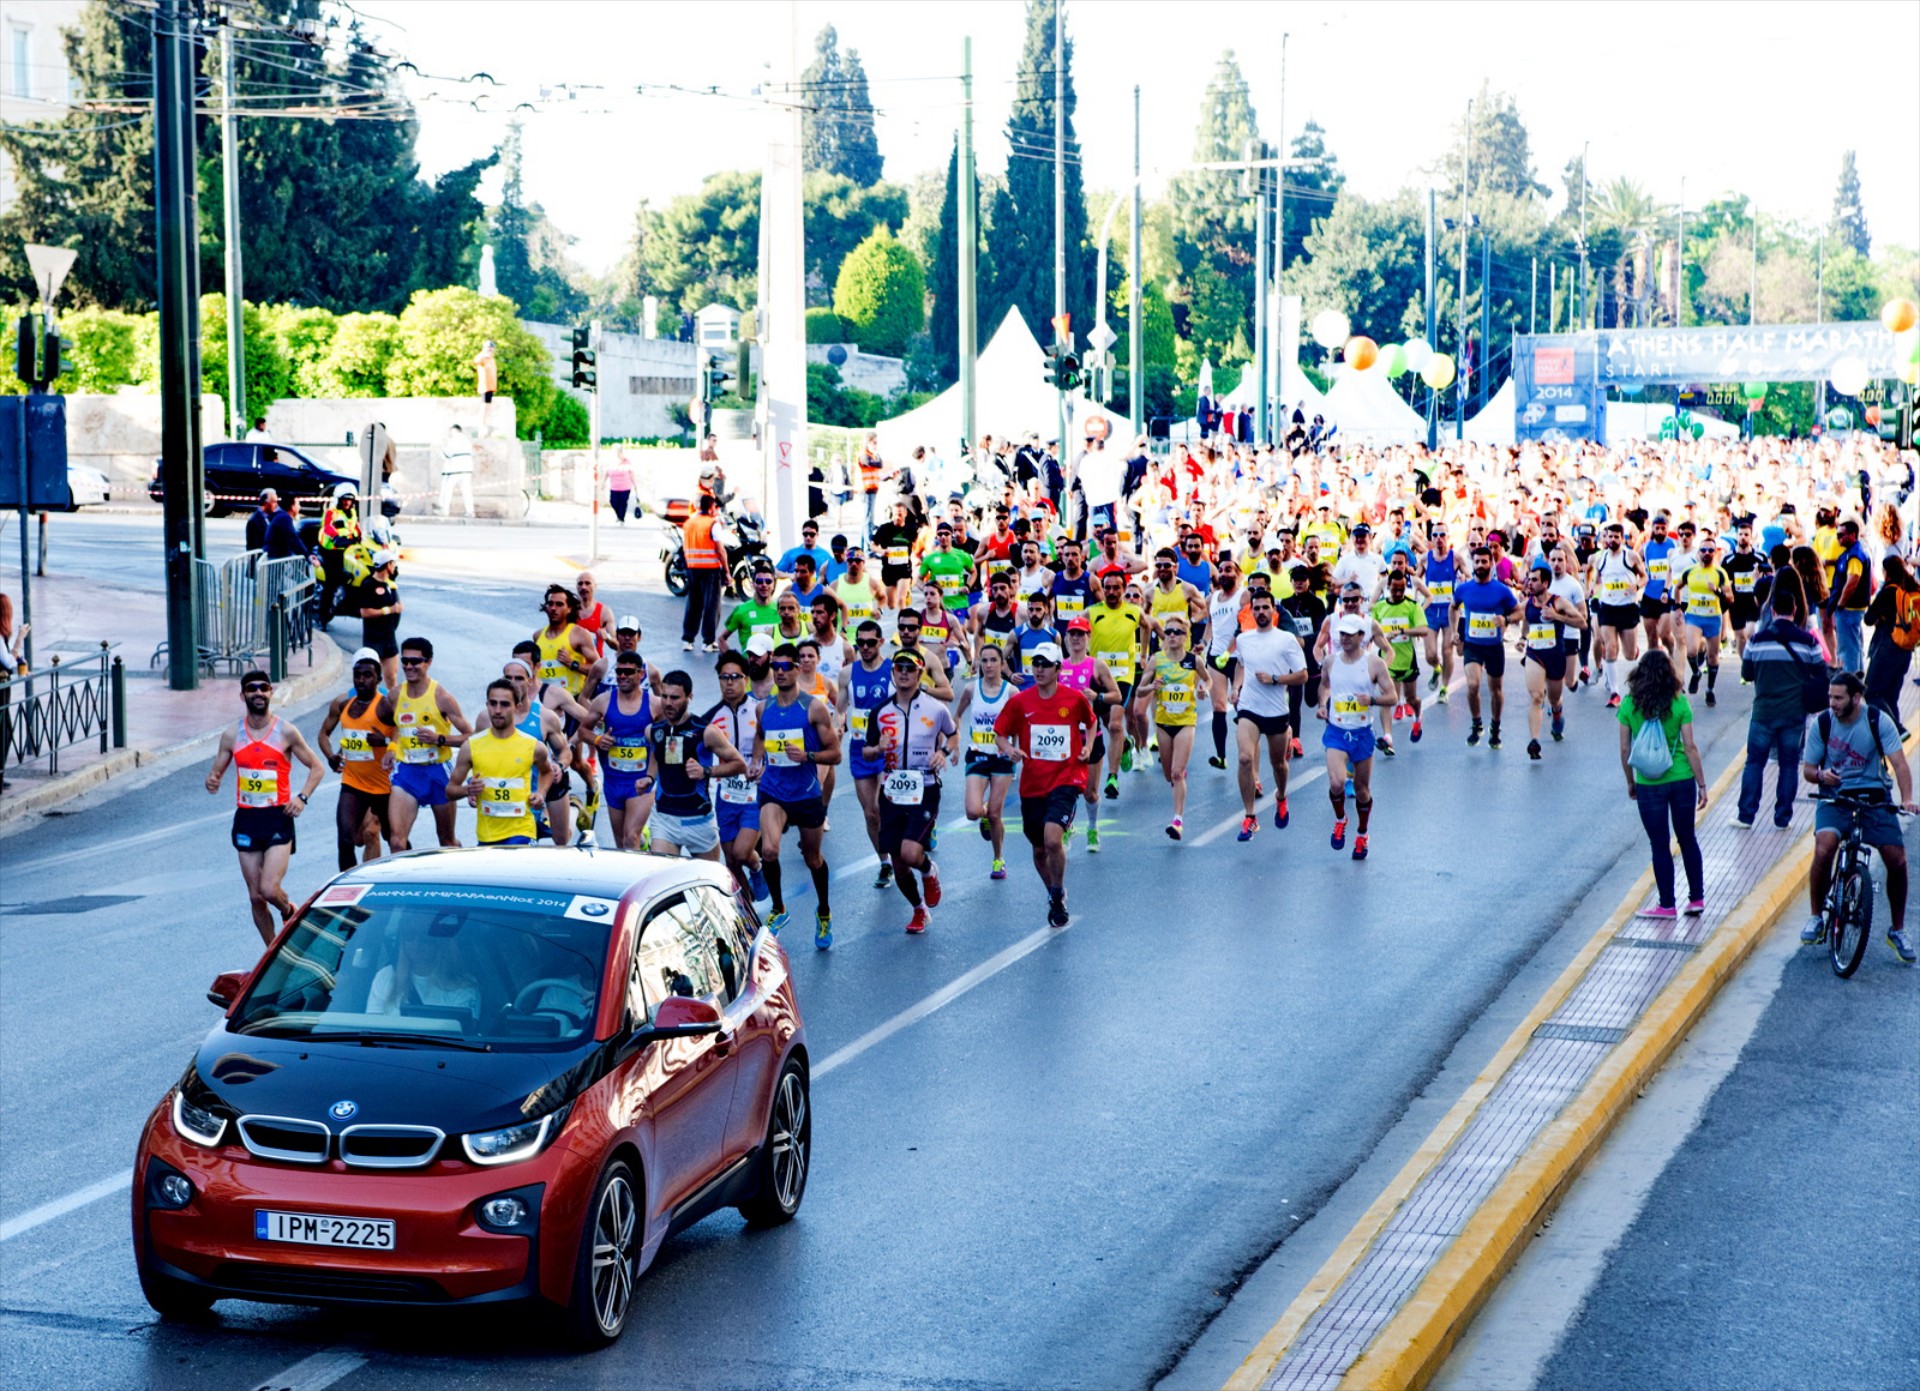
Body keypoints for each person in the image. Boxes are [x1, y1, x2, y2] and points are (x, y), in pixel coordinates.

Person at [1802, 671, 1919, 962]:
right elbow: (1807, 770)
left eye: (1838, 698)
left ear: (1856, 698)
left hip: (1873, 796)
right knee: (1825, 847)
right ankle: (1816, 917)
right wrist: (1820, 775)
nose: (1832, 703)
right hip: (1835, 795)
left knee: (1897, 859)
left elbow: (1900, 765)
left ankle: (1898, 929)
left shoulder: (1877, 721)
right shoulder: (1823, 723)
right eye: (1830, 697)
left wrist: (1906, 799)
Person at [205, 671, 325, 944]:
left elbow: (317, 768)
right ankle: (272, 952)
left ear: (271, 693)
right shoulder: (231, 735)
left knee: (270, 889)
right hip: (246, 818)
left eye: (263, 688)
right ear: (243, 695)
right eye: (252, 689)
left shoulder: (285, 731)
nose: (258, 693)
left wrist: (302, 797)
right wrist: (212, 781)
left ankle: (289, 910)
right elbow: (215, 775)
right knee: (255, 896)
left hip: (277, 817)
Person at [994, 640, 1100, 928]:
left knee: (1053, 839)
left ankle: (1056, 892)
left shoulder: (1073, 699)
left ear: (1057, 668)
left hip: (1067, 778)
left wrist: (1088, 747)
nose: (1038, 669)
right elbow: (999, 733)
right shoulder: (1020, 702)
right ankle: (1055, 894)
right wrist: (1009, 750)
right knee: (1039, 849)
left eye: (1044, 664)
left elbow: (1091, 723)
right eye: (1035, 664)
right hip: (1033, 785)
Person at [752, 643, 842, 948]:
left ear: (796, 669)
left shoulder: (813, 707)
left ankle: (824, 911)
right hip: (773, 791)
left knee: (813, 858)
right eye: (775, 666)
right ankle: (779, 908)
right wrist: (755, 763)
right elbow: (760, 738)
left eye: (785, 666)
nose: (779, 671)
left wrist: (808, 756)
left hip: (805, 793)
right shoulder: (763, 707)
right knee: (769, 851)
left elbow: (836, 755)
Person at [863, 648, 959, 933]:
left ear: (920, 673)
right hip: (892, 791)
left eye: (910, 668)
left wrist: (942, 752)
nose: (904, 673)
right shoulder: (880, 711)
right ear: (893, 673)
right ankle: (919, 909)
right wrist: (877, 749)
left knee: (910, 852)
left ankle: (929, 870)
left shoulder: (935, 708)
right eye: (899, 668)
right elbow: (866, 751)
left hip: (925, 787)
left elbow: (953, 735)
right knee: (899, 863)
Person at [1618, 651, 1708, 920]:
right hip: (1681, 779)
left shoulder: (1629, 704)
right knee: (1687, 838)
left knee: (1659, 844)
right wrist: (1702, 784)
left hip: (1649, 783)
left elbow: (1625, 749)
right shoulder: (1680, 702)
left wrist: (1630, 781)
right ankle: (1697, 899)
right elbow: (1690, 747)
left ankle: (1667, 904)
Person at [1737, 567, 1822, 830]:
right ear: (1795, 610)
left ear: (1772, 611)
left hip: (1763, 712)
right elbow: (1820, 673)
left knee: (1754, 763)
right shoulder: (1808, 641)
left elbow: (1747, 673)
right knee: (1788, 765)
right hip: (1795, 713)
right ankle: (1783, 818)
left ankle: (1746, 816)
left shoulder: (1756, 640)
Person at [644, 669, 748, 864]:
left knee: (706, 884)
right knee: (663, 876)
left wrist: (706, 771)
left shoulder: (706, 732)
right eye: (664, 696)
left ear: (689, 697)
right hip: (664, 818)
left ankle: (755, 868)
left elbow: (739, 764)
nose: (667, 703)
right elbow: (656, 757)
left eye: (675, 698)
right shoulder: (653, 731)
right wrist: (649, 778)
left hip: (698, 820)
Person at [1231, 588, 1309, 842]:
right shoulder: (1244, 639)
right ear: (1251, 611)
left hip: (1275, 710)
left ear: (1274, 610)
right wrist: (1235, 687)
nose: (1261, 612)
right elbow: (1241, 664)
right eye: (1257, 608)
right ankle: (1250, 817)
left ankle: (1281, 796)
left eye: (1266, 607)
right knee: (1244, 758)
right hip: (1249, 707)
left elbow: (1302, 675)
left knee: (1278, 764)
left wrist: (1275, 679)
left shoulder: (1286, 639)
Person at [380, 636, 471, 851]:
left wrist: (439, 739)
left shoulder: (441, 696)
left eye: (415, 661)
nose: (409, 666)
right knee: (396, 842)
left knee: (447, 841)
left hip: (438, 772)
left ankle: (456, 879)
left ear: (428, 662)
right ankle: (404, 884)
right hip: (407, 772)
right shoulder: (394, 696)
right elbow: (394, 726)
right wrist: (391, 747)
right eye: (405, 661)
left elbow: (470, 735)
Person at [1317, 614, 1396, 861]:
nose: (1345, 638)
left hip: (1362, 733)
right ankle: (1341, 819)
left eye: (1351, 634)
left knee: (1362, 790)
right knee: (1337, 783)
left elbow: (1392, 696)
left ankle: (1362, 833)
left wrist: (1371, 700)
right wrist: (1322, 704)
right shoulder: (1330, 661)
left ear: (1362, 636)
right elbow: (1324, 685)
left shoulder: (1374, 664)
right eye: (1342, 634)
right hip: (1337, 731)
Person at [317, 650, 396, 873]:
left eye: (368, 675)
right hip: (353, 783)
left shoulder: (387, 704)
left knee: (393, 838)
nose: (362, 680)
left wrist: (387, 741)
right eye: (357, 675)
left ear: (378, 678)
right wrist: (331, 756)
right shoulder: (342, 703)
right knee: (345, 840)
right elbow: (323, 734)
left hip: (384, 785)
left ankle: (396, 879)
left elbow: (405, 733)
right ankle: (348, 891)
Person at [453, 679, 554, 846]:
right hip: (487, 835)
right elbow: (450, 790)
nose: (497, 710)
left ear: (517, 707)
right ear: (487, 705)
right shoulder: (471, 746)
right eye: (493, 704)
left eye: (505, 704)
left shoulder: (533, 746)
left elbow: (547, 771)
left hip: (522, 831)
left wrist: (541, 794)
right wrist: (467, 789)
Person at [707, 652, 768, 899]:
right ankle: (747, 909)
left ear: (746, 679)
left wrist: (767, 769)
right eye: (724, 677)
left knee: (743, 853)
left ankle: (757, 866)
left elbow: (777, 746)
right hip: (727, 794)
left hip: (757, 793)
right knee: (731, 860)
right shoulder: (711, 717)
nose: (729, 682)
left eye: (735, 677)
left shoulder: (760, 710)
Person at [954, 642, 1017, 880]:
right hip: (978, 754)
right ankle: (985, 817)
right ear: (978, 663)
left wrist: (1015, 750)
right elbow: (957, 716)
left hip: (1002, 758)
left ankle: (998, 859)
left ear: (1002, 664)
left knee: (995, 813)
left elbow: (1019, 724)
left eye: (993, 660)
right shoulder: (971, 689)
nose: (989, 665)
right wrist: (955, 745)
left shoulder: (1011, 693)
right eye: (984, 660)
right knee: (973, 811)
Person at [583, 651, 656, 851]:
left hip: (640, 783)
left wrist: (652, 775)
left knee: (629, 837)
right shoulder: (603, 701)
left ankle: (639, 877)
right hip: (614, 781)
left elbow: (665, 740)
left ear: (640, 674)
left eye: (628, 672)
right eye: (619, 671)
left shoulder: (654, 705)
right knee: (622, 844)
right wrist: (597, 739)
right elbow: (583, 731)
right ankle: (643, 841)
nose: (622, 676)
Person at [1136, 614, 1201, 839]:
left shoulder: (1194, 660)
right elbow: (1140, 691)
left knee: (1176, 772)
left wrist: (1204, 689)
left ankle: (1177, 821)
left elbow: (1207, 680)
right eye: (1168, 632)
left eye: (1177, 632)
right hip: (1163, 723)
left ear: (1185, 637)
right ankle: (1177, 781)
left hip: (1185, 723)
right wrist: (1151, 686)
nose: (1172, 636)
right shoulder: (1157, 660)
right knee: (1168, 775)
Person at [1453, 545, 1519, 749]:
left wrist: (1506, 619)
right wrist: (1455, 630)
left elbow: (1519, 613)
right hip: (1472, 644)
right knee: (1472, 685)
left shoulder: (1501, 590)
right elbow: (1453, 607)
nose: (1480, 565)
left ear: (1491, 564)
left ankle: (1495, 727)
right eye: (1477, 561)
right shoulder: (1464, 588)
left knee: (1495, 690)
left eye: (1484, 561)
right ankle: (1476, 723)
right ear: (1472, 563)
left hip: (1494, 646)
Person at [1517, 565, 1585, 760]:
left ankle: (1557, 712)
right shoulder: (1528, 603)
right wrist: (1519, 635)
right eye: (1529, 579)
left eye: (1535, 580)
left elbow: (1582, 622)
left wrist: (1557, 617)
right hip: (1534, 654)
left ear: (1545, 583)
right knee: (1537, 697)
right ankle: (1535, 741)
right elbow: (1521, 618)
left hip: (1555, 655)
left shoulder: (1559, 602)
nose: (1530, 583)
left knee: (1554, 698)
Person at [1587, 521, 1648, 709]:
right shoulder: (1601, 558)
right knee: (1611, 648)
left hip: (1627, 607)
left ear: (1622, 538)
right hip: (1608, 607)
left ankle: (1634, 649)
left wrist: (1636, 586)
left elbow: (1645, 576)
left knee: (1629, 655)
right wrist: (1591, 589)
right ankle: (1615, 693)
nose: (1612, 540)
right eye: (1609, 536)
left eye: (1616, 537)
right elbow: (1596, 579)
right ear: (1605, 538)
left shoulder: (1630, 556)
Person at [1862, 554, 1920, 735]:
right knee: (1890, 695)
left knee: (1871, 692)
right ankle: (1893, 736)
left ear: (1886, 572)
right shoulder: (1913, 587)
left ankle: (1898, 730)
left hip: (1887, 646)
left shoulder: (1889, 591)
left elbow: (1868, 618)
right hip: (1906, 649)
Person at [680, 494, 730, 652]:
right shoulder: (712, 523)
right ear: (711, 507)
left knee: (693, 604)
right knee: (711, 605)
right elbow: (720, 550)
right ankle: (708, 641)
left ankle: (688, 639)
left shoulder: (689, 522)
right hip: (710, 570)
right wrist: (727, 572)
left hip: (692, 568)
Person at [1829, 517, 1874, 675]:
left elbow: (1852, 581)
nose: (1838, 539)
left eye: (1842, 535)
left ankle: (1850, 682)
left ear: (1853, 535)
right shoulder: (1853, 553)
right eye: (1837, 535)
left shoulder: (1855, 555)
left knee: (1848, 649)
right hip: (1852, 608)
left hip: (1849, 608)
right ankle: (1857, 678)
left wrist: (1840, 604)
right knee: (1854, 646)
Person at [357, 550, 403, 691]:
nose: (395, 566)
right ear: (387, 565)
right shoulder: (368, 584)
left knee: (392, 676)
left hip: (389, 636)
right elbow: (365, 612)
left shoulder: (390, 585)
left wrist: (398, 608)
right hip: (373, 638)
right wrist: (389, 610)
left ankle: (392, 707)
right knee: (372, 678)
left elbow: (397, 605)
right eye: (393, 563)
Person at [439, 423, 476, 518]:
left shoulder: (454, 440)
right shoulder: (466, 440)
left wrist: (442, 449)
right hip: (467, 469)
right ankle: (470, 511)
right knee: (466, 491)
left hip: (456, 469)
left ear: (454, 430)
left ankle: (445, 510)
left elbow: (447, 454)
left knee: (448, 489)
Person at [575, 572, 614, 655]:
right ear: (576, 587)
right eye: (580, 584)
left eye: (587, 583)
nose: (583, 587)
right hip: (573, 664)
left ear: (595, 586)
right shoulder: (569, 610)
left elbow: (618, 645)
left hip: (595, 665)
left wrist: (607, 637)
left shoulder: (604, 612)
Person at [606, 453, 635, 526]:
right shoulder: (611, 462)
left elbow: (632, 474)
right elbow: (606, 473)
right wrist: (603, 482)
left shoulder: (627, 462)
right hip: (614, 487)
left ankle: (621, 518)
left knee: (623, 503)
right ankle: (619, 516)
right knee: (613, 502)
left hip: (625, 487)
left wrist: (635, 485)